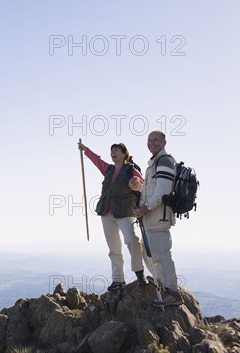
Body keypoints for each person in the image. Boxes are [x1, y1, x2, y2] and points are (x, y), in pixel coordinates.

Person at [78, 141, 147, 291]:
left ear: (124, 154)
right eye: (112, 150)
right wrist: (85, 149)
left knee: (133, 240)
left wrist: (137, 183)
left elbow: (143, 183)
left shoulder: (131, 170)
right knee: (113, 248)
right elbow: (97, 160)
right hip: (106, 212)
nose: (113, 152)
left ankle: (139, 274)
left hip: (125, 213)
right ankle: (118, 280)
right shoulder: (108, 170)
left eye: (116, 150)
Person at [134, 130, 183, 307]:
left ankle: (173, 293)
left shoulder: (165, 161)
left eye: (156, 140)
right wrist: (138, 187)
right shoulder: (154, 163)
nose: (152, 143)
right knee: (151, 254)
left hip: (158, 218)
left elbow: (162, 190)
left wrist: (146, 208)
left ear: (164, 142)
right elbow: (152, 190)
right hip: (151, 218)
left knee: (162, 256)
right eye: (149, 140)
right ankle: (165, 287)